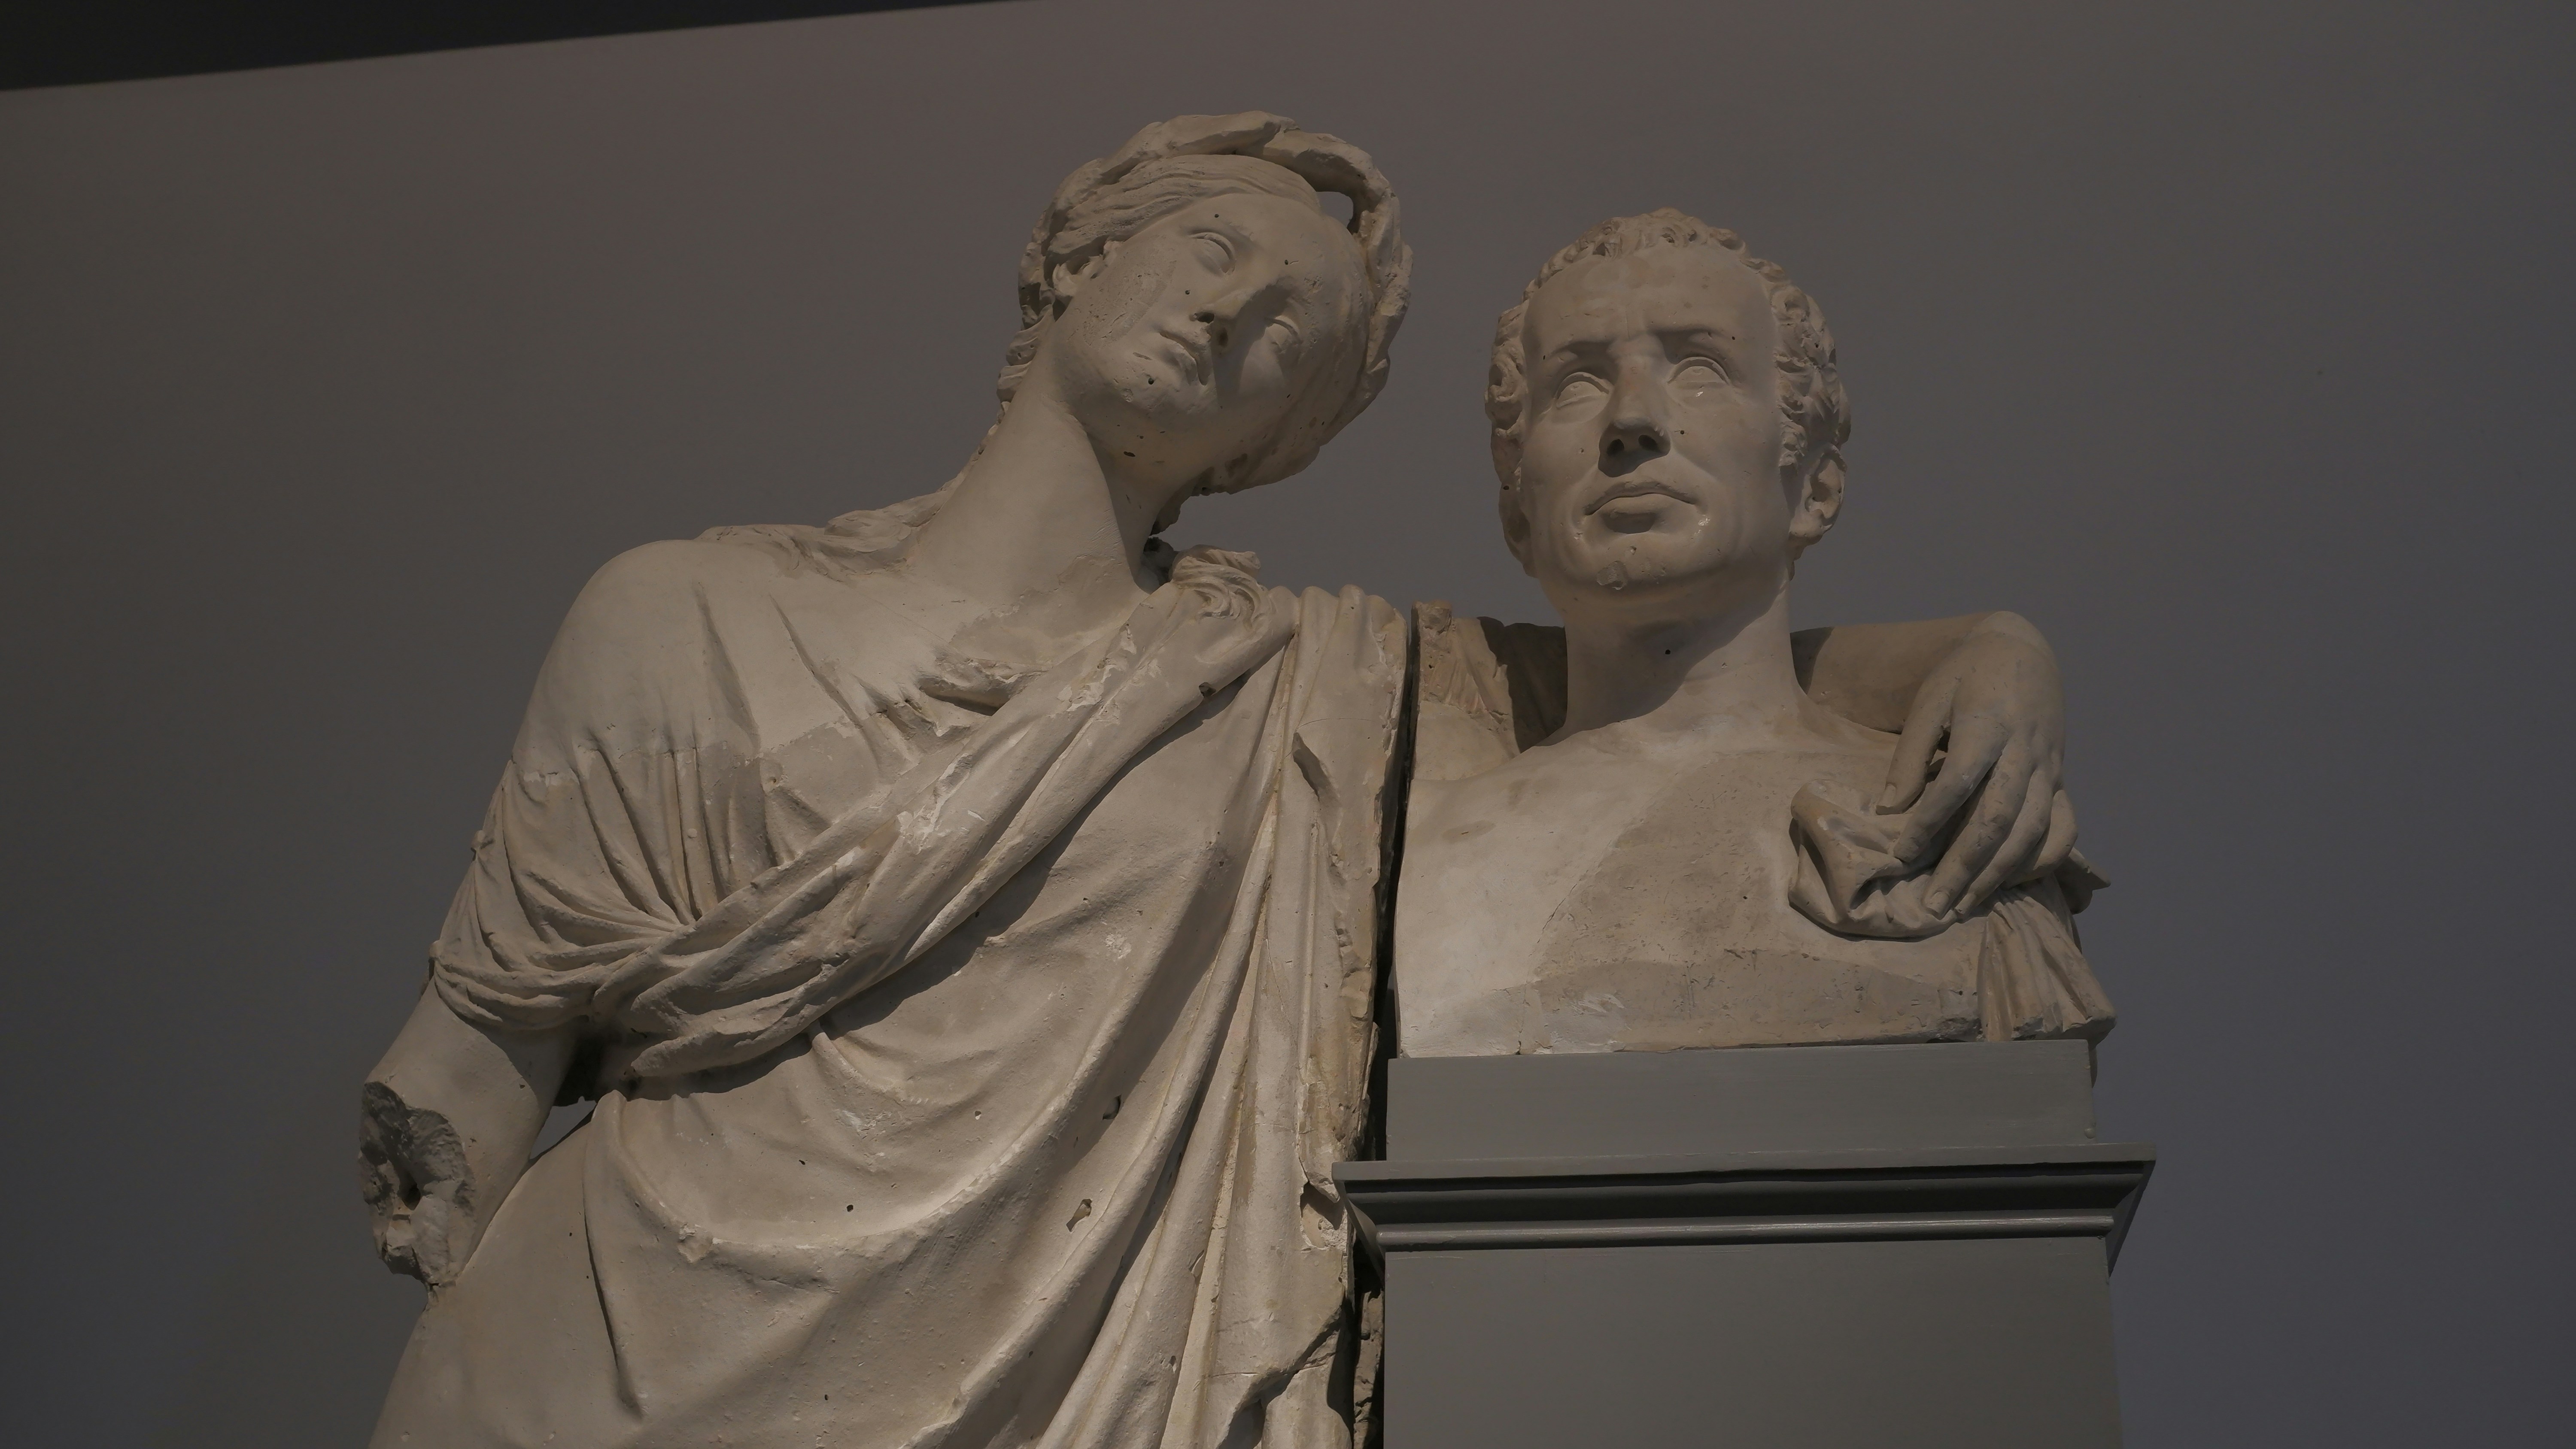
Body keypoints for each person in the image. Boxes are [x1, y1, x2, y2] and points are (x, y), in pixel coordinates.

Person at [361, 124, 2081, 1446]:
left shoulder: (1289, 682)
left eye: (1291, 339)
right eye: (1210, 253)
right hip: (588, 1364)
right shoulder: (677, 615)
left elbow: (1670, 657)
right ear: (1070, 261)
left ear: (1278, 440)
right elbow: (461, 1100)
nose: (1230, 312)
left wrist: (1983, 651)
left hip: (1072, 1383)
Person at [1397, 209, 2112, 1058]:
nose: (1633, 421)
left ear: (1816, 483)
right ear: (1518, 507)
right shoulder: (1407, 849)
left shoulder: (1952, 824)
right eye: (1578, 384)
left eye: (1701, 371)